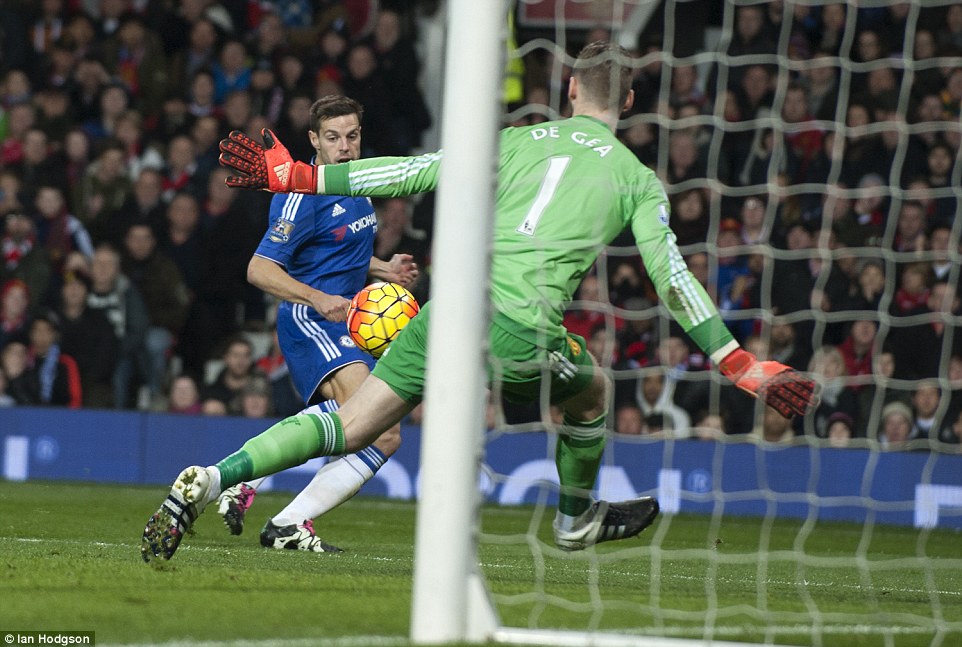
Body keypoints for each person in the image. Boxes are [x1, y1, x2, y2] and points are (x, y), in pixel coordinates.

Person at [142, 41, 818, 563]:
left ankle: (211, 477)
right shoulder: (636, 179)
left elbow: (412, 171)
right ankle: (575, 520)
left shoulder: (517, 140)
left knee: (354, 424)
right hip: (521, 329)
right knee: (592, 391)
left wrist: (300, 175)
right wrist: (736, 363)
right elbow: (669, 275)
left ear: (571, 87)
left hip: (449, 310)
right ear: (631, 100)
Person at [215, 95, 419, 553]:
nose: (344, 146)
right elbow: (259, 269)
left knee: (385, 434)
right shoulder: (299, 196)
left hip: (349, 321)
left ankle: (273, 507)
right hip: (311, 320)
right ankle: (257, 490)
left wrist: (383, 268)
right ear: (313, 140)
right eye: (333, 137)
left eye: (352, 136)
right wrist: (318, 298)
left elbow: (338, 248)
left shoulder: (355, 182)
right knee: (369, 419)